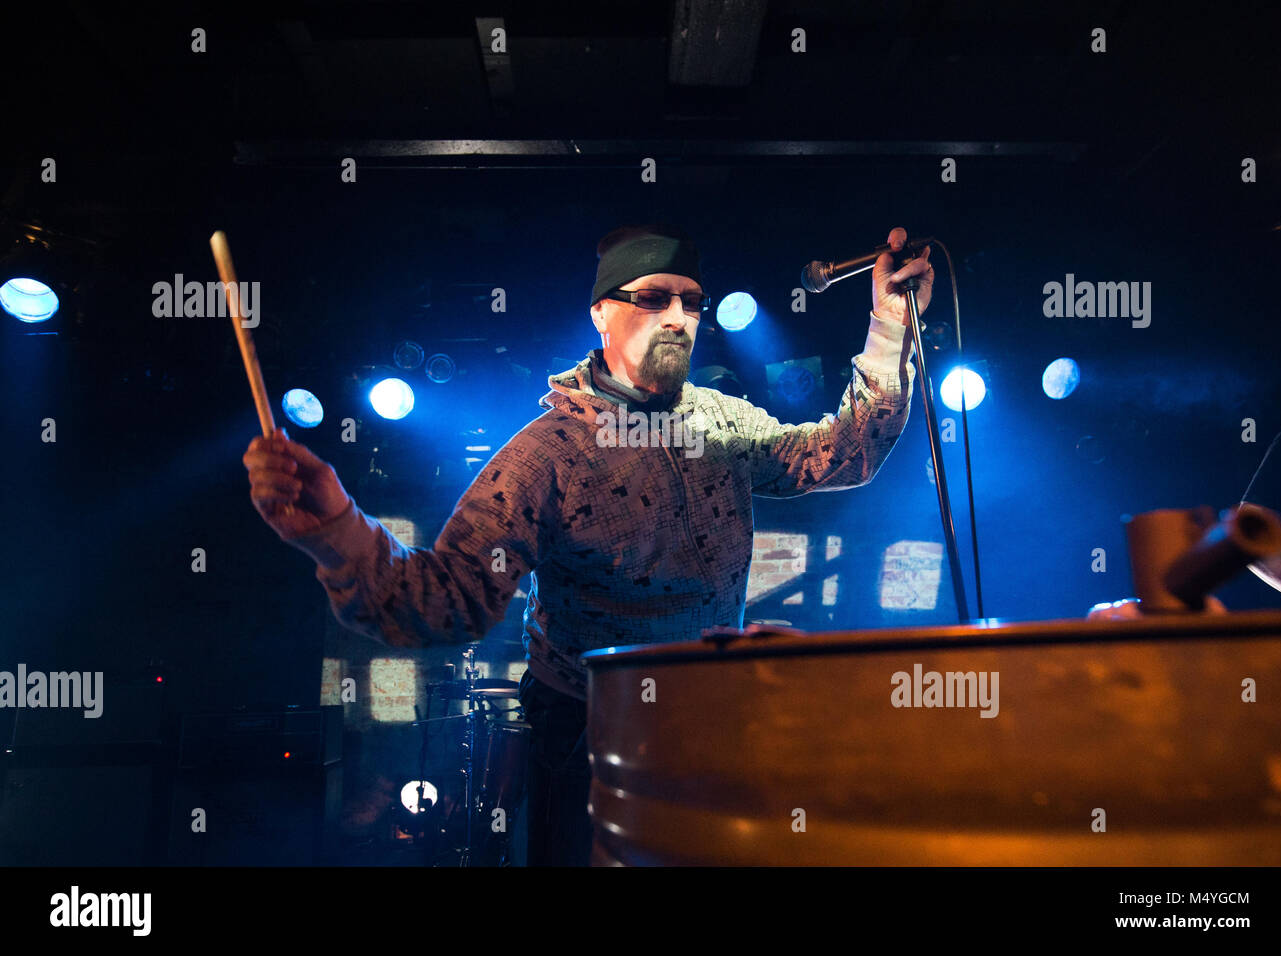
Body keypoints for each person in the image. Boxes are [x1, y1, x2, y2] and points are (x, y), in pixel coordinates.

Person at [242, 223, 931, 865]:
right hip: (591, 736)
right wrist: (338, 529)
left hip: (713, 720)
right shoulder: (550, 454)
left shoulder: (721, 422)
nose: (678, 317)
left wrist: (891, 325)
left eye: (692, 302)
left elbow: (841, 454)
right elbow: (446, 599)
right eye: (654, 297)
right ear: (602, 313)